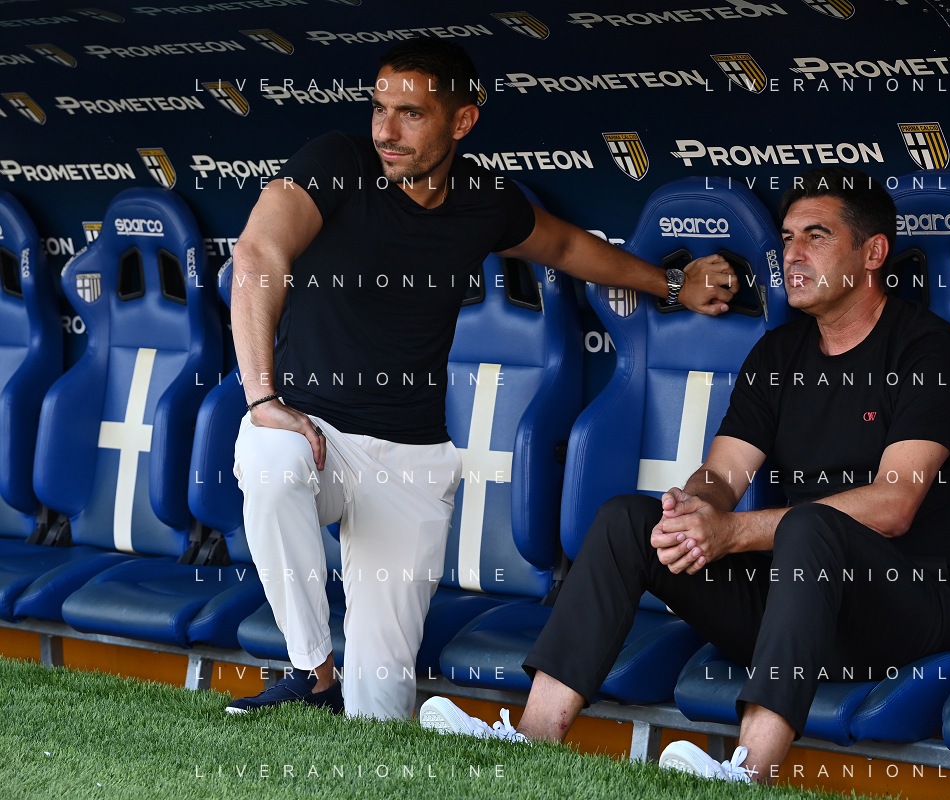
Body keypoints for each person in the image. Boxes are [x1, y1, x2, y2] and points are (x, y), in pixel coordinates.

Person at [420, 166, 950, 784]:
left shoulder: (928, 349)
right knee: (627, 519)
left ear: (873, 252)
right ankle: (534, 741)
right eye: (787, 238)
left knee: (808, 527)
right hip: (803, 611)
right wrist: (691, 510)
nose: (793, 255)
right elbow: (722, 473)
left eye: (817, 236)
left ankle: (748, 772)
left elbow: (892, 506)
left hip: (915, 604)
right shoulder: (780, 353)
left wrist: (734, 532)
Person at [225, 39, 738, 720]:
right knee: (269, 456)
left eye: (411, 113)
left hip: (410, 459)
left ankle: (355, 710)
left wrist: (672, 284)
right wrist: (263, 397)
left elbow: (565, 246)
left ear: (462, 121)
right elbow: (258, 251)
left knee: (381, 702)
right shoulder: (337, 162)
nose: (386, 131)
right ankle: (313, 672)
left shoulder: (482, 198)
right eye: (378, 109)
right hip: (316, 434)